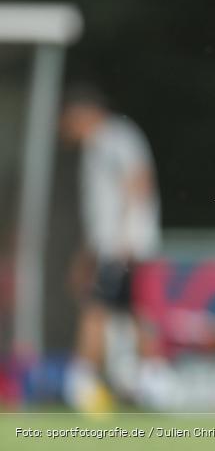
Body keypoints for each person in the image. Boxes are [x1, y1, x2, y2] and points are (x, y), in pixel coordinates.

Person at [59, 84, 162, 412]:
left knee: (97, 308)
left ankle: (82, 382)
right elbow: (101, 207)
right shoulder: (97, 145)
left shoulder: (116, 137)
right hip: (114, 245)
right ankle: (147, 381)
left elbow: (139, 182)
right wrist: (88, 255)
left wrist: (126, 238)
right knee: (133, 311)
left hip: (125, 245)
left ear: (83, 113)